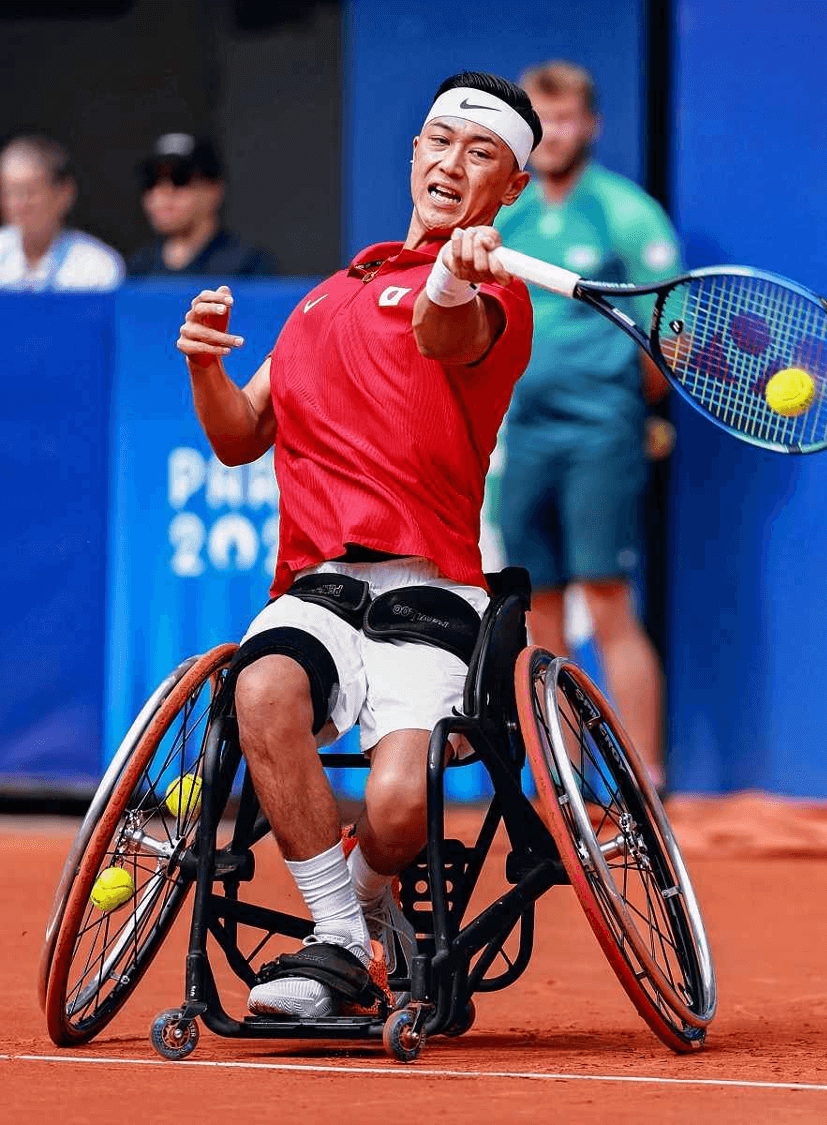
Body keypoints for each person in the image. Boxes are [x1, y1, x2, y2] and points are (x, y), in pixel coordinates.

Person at [175, 71, 540, 1019]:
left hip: (432, 592)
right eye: (439, 141)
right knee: (260, 687)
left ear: (510, 186)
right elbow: (240, 435)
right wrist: (205, 366)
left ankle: (363, 907)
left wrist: (455, 273)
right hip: (319, 587)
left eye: (480, 152)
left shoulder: (497, 293)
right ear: (414, 153)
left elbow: (442, 334)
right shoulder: (323, 300)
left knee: (399, 808)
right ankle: (340, 937)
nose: (451, 162)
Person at [493, 61, 681, 789]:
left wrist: (631, 409)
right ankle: (564, 785)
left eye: (566, 118)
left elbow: (670, 333)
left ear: (591, 125)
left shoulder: (624, 211)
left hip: (601, 433)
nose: (553, 134)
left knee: (606, 601)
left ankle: (646, 779)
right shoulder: (507, 215)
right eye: (541, 121)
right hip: (523, 434)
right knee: (539, 613)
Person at [128, 133, 277, 277]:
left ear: (214, 189)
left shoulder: (249, 266)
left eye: (180, 179)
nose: (162, 192)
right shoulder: (139, 268)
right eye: (152, 181)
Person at [0, 134, 124, 291]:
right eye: (9, 192)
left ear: (65, 194)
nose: (19, 205)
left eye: (29, 192)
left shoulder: (97, 266)